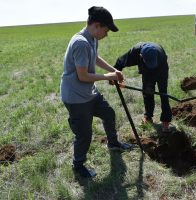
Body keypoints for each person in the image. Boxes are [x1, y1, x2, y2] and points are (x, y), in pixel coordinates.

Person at [60, 6, 131, 178]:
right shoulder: (81, 43)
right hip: (76, 97)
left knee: (108, 113)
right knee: (84, 134)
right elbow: (83, 76)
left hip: (89, 93)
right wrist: (108, 77)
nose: (106, 35)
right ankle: (78, 166)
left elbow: (95, 58)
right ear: (97, 25)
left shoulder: (91, 39)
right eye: (106, 31)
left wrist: (114, 70)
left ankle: (113, 144)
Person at [113, 42, 172, 132]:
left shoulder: (160, 54)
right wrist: (115, 77)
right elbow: (120, 62)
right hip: (146, 71)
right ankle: (148, 117)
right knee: (147, 92)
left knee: (163, 93)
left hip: (161, 68)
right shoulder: (135, 52)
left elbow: (162, 70)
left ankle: (166, 120)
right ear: (141, 56)